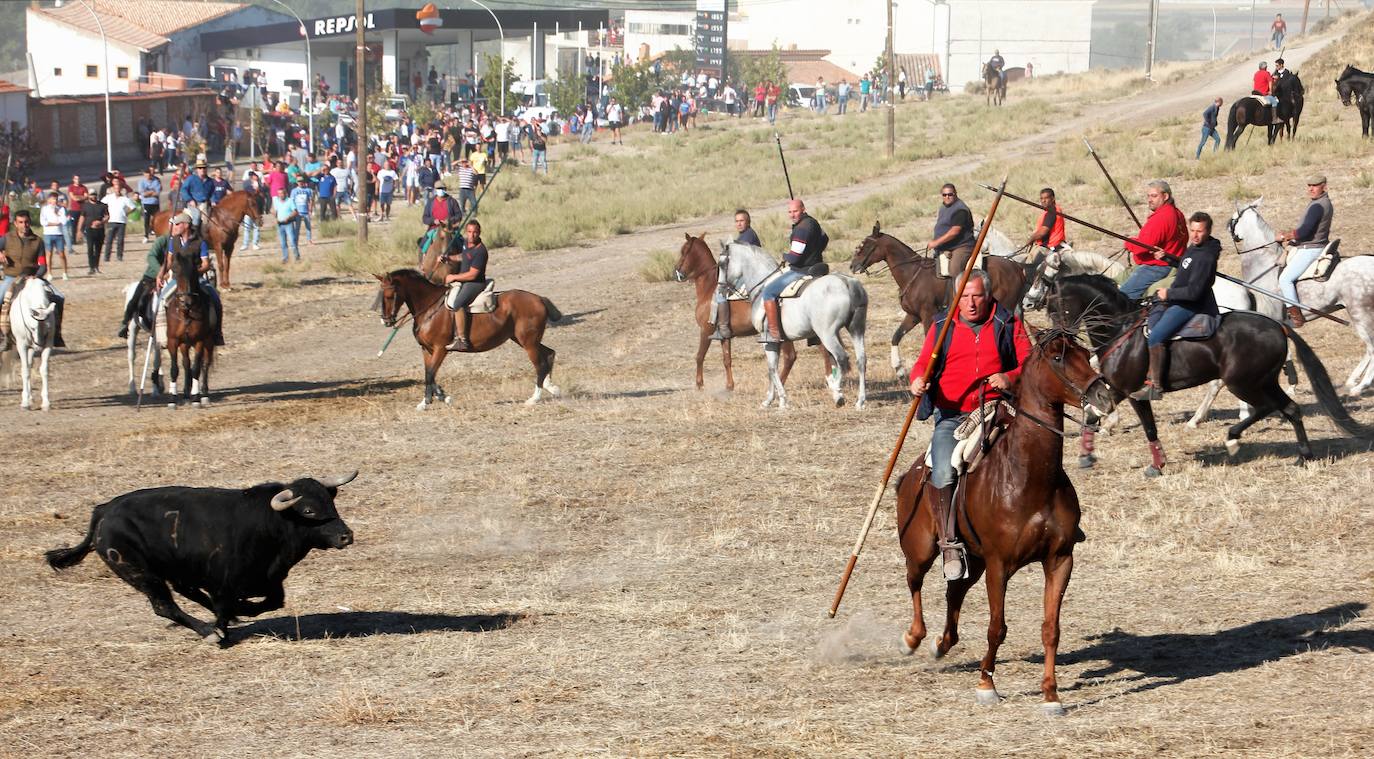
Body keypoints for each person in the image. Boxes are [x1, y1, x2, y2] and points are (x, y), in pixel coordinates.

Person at [908, 269, 1030, 580]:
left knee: (1035, 447)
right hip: (953, 415)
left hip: (997, 407)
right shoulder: (941, 326)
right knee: (944, 468)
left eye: (976, 295)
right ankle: (949, 542)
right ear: (956, 298)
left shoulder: (1007, 323)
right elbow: (923, 364)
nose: (971, 303)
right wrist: (917, 380)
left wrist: (1009, 377)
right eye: (964, 296)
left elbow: (1030, 361)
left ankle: (1058, 518)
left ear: (989, 295)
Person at [1130, 212, 1221, 401]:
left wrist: (1169, 294)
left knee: (1155, 337)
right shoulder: (1195, 248)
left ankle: (1155, 386)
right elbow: (1186, 265)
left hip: (1191, 305)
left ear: (1209, 231)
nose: (1195, 235)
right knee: (1150, 322)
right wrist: (1168, 258)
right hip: (1179, 299)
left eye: (1200, 231)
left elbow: (1194, 292)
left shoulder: (1206, 257)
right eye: (1193, 230)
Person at [759, 199, 828, 344]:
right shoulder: (813, 222)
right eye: (790, 212)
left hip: (801, 270)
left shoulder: (801, 228)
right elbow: (825, 238)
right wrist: (815, 251)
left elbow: (795, 258)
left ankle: (773, 334)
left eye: (795, 211)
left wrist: (785, 256)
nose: (792, 215)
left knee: (768, 292)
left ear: (803, 209)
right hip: (817, 266)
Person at [0, 210, 66, 348]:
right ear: (15, 223)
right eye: (21, 222)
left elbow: (43, 264)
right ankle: (3, 335)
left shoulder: (38, 241)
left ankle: (56, 334)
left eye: (27, 222)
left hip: (32, 276)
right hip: (11, 276)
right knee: (0, 297)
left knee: (59, 297)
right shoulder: (6, 238)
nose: (24, 225)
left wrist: (36, 276)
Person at [1274, 175, 1334, 327]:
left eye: (1315, 185)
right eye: (1309, 185)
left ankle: (1296, 316)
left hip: (1311, 249)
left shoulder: (1317, 205)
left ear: (1324, 186)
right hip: (1312, 244)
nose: (1311, 189)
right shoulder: (1322, 202)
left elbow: (1304, 232)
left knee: (1285, 279)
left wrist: (1284, 236)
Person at [158, 213, 223, 346]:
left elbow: (205, 264)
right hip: (177, 279)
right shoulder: (173, 241)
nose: (174, 227)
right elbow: (169, 261)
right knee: (161, 300)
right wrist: (160, 274)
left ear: (186, 225)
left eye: (177, 224)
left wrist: (194, 273)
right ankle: (163, 334)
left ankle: (217, 333)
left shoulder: (200, 242)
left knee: (214, 297)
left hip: (196, 279)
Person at [1120, 180, 1187, 300]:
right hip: (1174, 262)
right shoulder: (1177, 213)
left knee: (1123, 296)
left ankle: (1132, 317)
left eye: (1154, 196)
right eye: (1148, 196)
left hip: (1159, 266)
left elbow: (1142, 248)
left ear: (1165, 196)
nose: (1150, 199)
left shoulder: (1161, 218)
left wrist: (1129, 243)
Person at [709, 210, 764, 342]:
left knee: (720, 293)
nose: (739, 224)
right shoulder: (744, 235)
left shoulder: (747, 237)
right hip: (748, 273)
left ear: (748, 222)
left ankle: (723, 328)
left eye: (741, 221)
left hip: (750, 276)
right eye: (737, 221)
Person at [442, 219, 490, 352]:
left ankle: (462, 340)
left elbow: (472, 275)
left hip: (474, 283)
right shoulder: (466, 243)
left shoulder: (481, 251)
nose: (472, 235)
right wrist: (448, 258)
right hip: (464, 280)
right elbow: (462, 257)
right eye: (469, 232)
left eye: (475, 232)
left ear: (479, 233)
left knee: (458, 304)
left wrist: (453, 277)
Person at [117, 230, 170, 338]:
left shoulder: (184, 241)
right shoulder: (162, 240)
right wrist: (161, 272)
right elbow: (151, 256)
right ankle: (125, 323)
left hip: (175, 278)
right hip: (152, 277)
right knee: (136, 299)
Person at [927, 184, 976, 278]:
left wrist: (936, 242)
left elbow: (954, 232)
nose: (947, 197)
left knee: (954, 271)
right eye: (944, 195)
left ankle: (959, 292)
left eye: (950, 194)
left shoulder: (960, 210)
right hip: (946, 246)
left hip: (962, 246)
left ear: (955, 194)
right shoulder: (944, 207)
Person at [101, 185, 138, 263]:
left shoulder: (125, 199)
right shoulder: (109, 197)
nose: (117, 190)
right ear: (113, 190)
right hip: (111, 221)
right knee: (109, 240)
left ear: (121, 190)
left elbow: (133, 207)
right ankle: (107, 257)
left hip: (122, 221)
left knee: (120, 240)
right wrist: (105, 214)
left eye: (119, 189)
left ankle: (119, 256)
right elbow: (101, 205)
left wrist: (127, 213)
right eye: (116, 189)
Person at [1025, 187, 1066, 252]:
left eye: (1046, 198)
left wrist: (1030, 239)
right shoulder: (1052, 211)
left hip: (1052, 247)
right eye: (1041, 198)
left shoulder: (1052, 212)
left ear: (1052, 199)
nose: (1043, 201)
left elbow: (1043, 232)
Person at [39, 193, 69, 281]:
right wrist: (54, 223)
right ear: (48, 200)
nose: (54, 201)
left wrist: (57, 214)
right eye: (52, 199)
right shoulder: (44, 209)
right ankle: (49, 273)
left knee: (61, 254)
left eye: (55, 199)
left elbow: (64, 221)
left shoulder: (61, 209)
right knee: (49, 254)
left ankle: (64, 272)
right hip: (48, 234)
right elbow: (43, 222)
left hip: (58, 234)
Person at [180, 161, 213, 238]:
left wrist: (212, 200)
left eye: (204, 168)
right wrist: (190, 200)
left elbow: (212, 192)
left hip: (205, 204)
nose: (202, 169)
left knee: (209, 219)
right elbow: (184, 190)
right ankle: (193, 235)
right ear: (197, 169)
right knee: (197, 216)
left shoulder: (210, 181)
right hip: (193, 203)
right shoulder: (191, 179)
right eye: (200, 168)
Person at [271, 185, 301, 263]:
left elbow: (295, 211)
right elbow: (275, 211)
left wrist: (288, 217)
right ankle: (285, 258)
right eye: (279, 194)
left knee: (292, 241)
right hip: (280, 224)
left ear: (285, 193)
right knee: (283, 243)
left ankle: (296, 257)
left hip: (288, 223)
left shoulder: (290, 201)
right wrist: (274, 214)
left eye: (282, 193)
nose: (280, 195)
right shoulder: (277, 201)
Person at [80, 190, 107, 274]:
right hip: (89, 229)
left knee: (98, 249)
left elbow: (107, 216)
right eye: (92, 195)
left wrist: (101, 222)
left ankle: (96, 266)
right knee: (90, 248)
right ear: (88, 196)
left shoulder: (102, 205)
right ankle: (91, 267)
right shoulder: (85, 206)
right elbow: (82, 218)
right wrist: (79, 230)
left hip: (100, 229)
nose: (93, 196)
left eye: (95, 194)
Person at [137, 167, 161, 242]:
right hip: (146, 203)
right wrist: (151, 192)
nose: (148, 175)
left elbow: (157, 192)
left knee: (157, 219)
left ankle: (158, 235)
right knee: (146, 220)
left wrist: (148, 192)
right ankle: (146, 235)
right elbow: (142, 193)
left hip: (155, 203)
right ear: (144, 174)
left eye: (149, 174)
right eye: (146, 174)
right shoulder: (141, 182)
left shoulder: (156, 181)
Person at [290, 175, 315, 242]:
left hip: (306, 211)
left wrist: (310, 209)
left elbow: (311, 200)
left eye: (301, 181)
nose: (300, 182)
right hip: (298, 212)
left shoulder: (308, 190)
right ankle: (296, 240)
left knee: (308, 227)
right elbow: (292, 201)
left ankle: (309, 240)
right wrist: (294, 210)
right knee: (297, 227)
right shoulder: (294, 191)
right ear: (297, 182)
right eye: (299, 181)